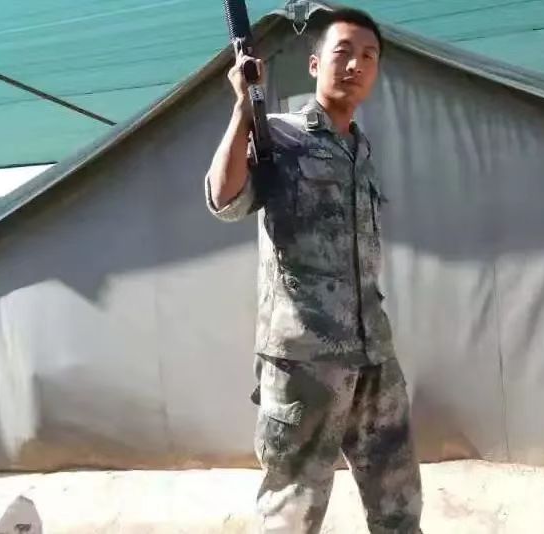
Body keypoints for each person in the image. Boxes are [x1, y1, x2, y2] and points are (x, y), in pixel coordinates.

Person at [204, 8, 423, 534]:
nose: (355, 65)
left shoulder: (360, 150)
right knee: (292, 510)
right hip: (305, 363)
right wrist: (242, 110)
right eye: (342, 52)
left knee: (398, 503)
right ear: (314, 63)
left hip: (373, 355)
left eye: (368, 56)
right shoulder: (278, 135)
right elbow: (223, 198)